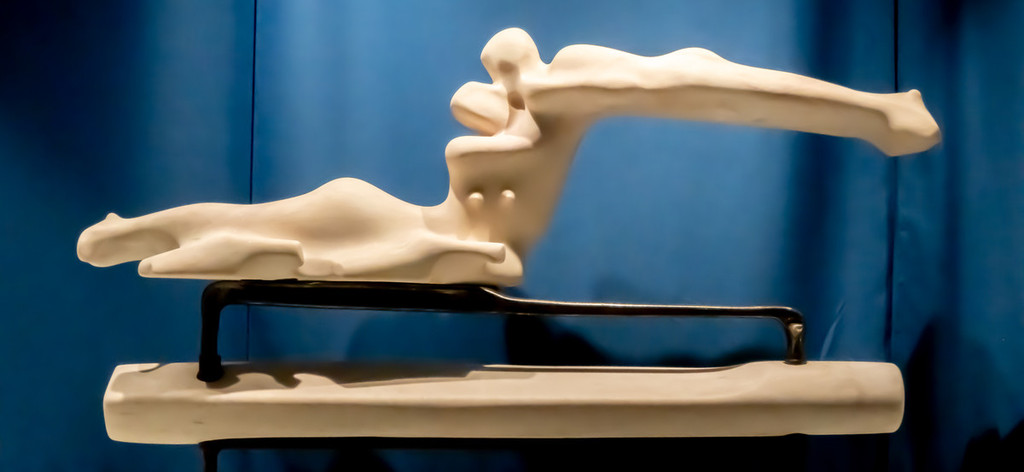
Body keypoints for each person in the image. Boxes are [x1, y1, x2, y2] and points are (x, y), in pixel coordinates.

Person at [78, 28, 940, 286]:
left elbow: (703, 85)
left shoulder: (567, 88)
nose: (497, 76)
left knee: (310, 252)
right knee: (294, 210)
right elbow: (484, 99)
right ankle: (141, 229)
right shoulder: (497, 107)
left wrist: (871, 114)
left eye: (508, 61)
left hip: (470, 253)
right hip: (408, 217)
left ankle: (245, 257)